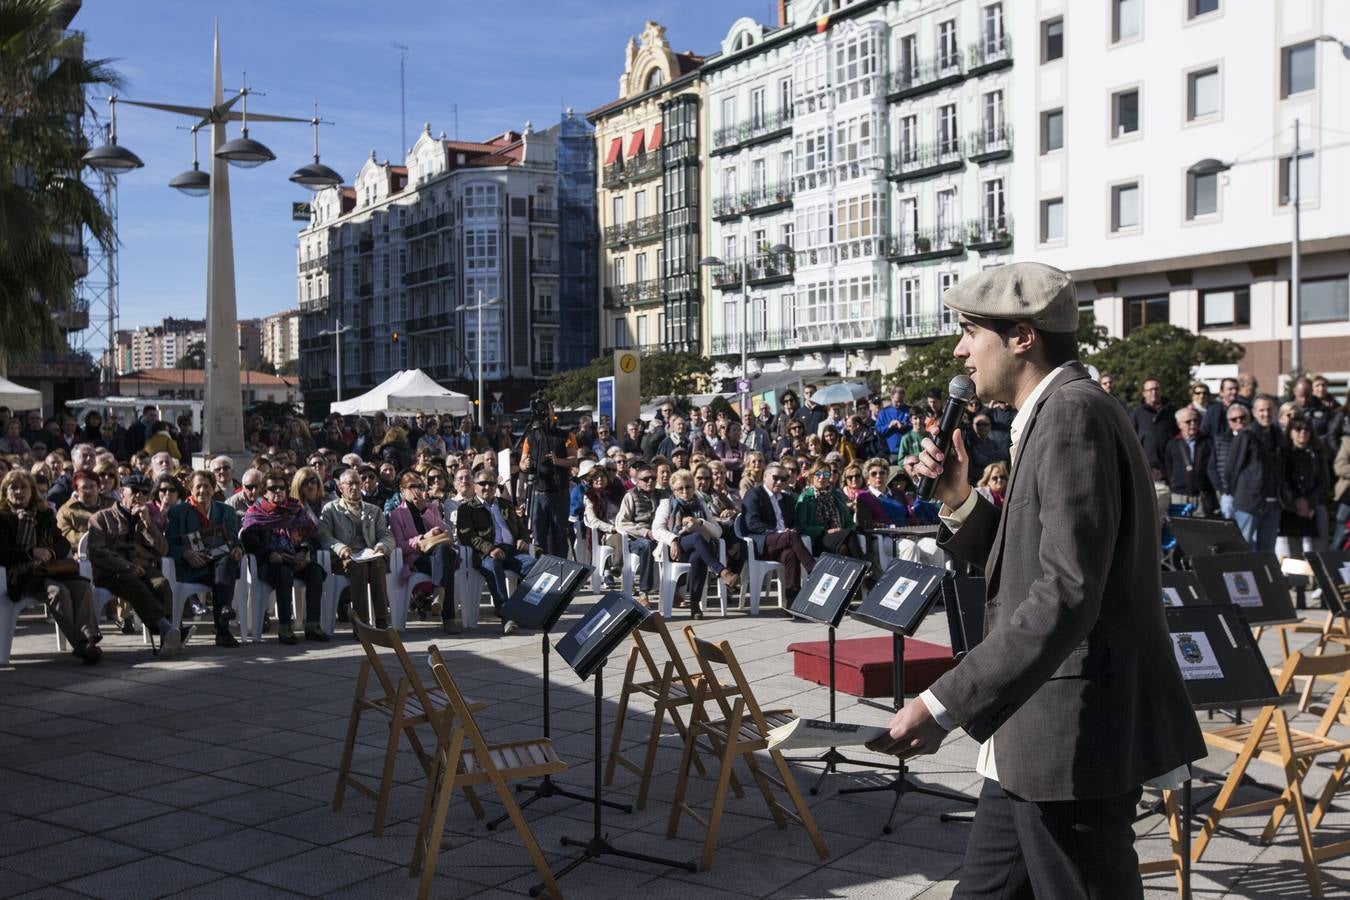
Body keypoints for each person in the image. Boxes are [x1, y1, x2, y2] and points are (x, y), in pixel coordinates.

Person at [871, 261, 1204, 897]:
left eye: (971, 330)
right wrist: (961, 499)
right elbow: (1028, 562)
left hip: (1068, 740)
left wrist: (942, 703)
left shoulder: (1071, 414)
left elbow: (1067, 590)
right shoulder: (1052, 413)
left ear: (1023, 336)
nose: (960, 348)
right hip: (1030, 739)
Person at [0, 470, 102, 663]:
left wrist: (49, 553)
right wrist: (30, 553)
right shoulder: (3, 518)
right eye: (13, 488)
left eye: (24, 487)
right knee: (58, 591)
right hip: (21, 576)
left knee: (82, 586)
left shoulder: (43, 514)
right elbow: (2, 553)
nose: (19, 492)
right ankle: (81, 645)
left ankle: (89, 639)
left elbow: (62, 543)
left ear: (32, 492)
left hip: (48, 568)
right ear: (5, 492)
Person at [86, 473, 185, 657]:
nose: (139, 496)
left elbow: (162, 550)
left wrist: (148, 523)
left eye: (144, 492)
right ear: (122, 491)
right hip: (112, 572)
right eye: (135, 491)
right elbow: (97, 552)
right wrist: (126, 566)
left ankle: (167, 641)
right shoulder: (101, 518)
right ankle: (167, 628)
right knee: (133, 583)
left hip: (143, 569)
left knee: (161, 583)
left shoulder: (145, 518)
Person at [240, 472, 328, 643]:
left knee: (315, 572)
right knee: (284, 573)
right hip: (269, 564)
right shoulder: (256, 512)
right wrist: (269, 554)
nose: (278, 491)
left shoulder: (296, 510)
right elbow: (248, 540)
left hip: (295, 560)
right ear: (265, 491)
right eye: (273, 488)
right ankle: (285, 627)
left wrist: (303, 551)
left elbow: (310, 536)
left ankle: (312, 625)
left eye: (282, 488)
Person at [166, 470, 244, 648]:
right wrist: (185, 553)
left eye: (207, 486)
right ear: (190, 489)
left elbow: (234, 539)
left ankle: (223, 622)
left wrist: (239, 548)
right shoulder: (178, 512)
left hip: (221, 566)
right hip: (193, 568)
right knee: (225, 572)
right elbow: (167, 545)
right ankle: (223, 626)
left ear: (214, 488)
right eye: (198, 486)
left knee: (227, 562)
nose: (203, 490)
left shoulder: (226, 511)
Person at [456, 466, 533, 634]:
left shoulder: (505, 504)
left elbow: (521, 528)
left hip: (512, 551)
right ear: (474, 486)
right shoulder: (466, 508)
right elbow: (467, 536)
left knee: (534, 567)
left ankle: (526, 611)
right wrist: (489, 548)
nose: (487, 487)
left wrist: (523, 539)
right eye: (482, 483)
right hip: (486, 554)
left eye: (491, 484)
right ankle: (507, 616)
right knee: (494, 567)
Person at [653, 470, 739, 618]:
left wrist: (700, 522)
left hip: (698, 549)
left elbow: (718, 532)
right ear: (674, 490)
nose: (685, 491)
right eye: (681, 488)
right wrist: (673, 539)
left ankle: (695, 604)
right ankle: (722, 572)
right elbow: (657, 529)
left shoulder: (700, 505)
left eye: (688, 487)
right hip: (674, 549)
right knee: (697, 538)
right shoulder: (667, 504)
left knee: (698, 555)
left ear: (693, 488)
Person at [319, 467, 395, 630]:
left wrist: (382, 545)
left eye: (357, 483)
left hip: (370, 555)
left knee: (380, 564)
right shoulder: (331, 509)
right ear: (340, 487)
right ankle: (362, 626)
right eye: (350, 484)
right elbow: (324, 536)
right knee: (359, 569)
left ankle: (382, 623)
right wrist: (340, 548)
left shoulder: (373, 510)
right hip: (345, 558)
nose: (354, 487)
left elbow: (386, 534)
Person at [389, 470, 460, 633]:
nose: (416, 490)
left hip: (438, 555)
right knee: (446, 560)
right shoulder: (397, 514)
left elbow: (445, 531)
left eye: (419, 486)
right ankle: (448, 617)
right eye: (411, 486)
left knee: (443, 551)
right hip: (416, 559)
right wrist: (422, 538)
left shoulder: (431, 508)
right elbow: (400, 545)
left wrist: (424, 512)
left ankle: (438, 593)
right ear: (402, 490)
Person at [741, 464, 815, 596]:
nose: (780, 482)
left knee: (791, 555)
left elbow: (795, 524)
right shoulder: (754, 494)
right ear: (765, 477)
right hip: (762, 544)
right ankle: (815, 571)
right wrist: (779, 532)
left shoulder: (787, 499)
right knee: (791, 536)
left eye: (784, 479)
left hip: (784, 544)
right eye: (776, 478)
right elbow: (752, 523)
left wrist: (791, 530)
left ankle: (792, 603)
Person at [519, 398, 578, 559]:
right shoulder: (531, 437)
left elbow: (573, 459)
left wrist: (557, 461)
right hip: (538, 492)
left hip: (559, 491)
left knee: (559, 535)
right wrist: (526, 463)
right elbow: (522, 464)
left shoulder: (566, 435)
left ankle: (560, 570)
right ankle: (540, 569)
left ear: (553, 414)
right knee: (538, 536)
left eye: (548, 410)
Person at [1227, 395, 1282, 551]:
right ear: (1254, 412)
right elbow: (1232, 468)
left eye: (1269, 409)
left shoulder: (1278, 435)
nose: (1266, 414)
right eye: (1262, 410)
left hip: (1273, 502)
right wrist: (1237, 493)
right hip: (1249, 503)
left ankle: (1264, 576)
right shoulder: (1246, 435)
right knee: (1244, 548)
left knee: (1267, 550)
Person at [1276, 417, 1328, 559]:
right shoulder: (1283, 454)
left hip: (1313, 505)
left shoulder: (1317, 453)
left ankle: (1317, 579)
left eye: (1306, 429)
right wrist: (1295, 503)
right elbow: (1282, 481)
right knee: (1294, 552)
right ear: (1290, 432)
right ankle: (1297, 581)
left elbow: (1324, 481)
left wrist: (1309, 502)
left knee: (1317, 549)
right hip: (1290, 506)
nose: (1302, 432)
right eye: (1298, 429)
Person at [615, 463, 662, 606]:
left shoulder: (662, 495)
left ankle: (677, 592)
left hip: (660, 535)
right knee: (646, 544)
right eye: (646, 478)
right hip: (636, 539)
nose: (650, 481)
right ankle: (644, 592)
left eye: (653, 478)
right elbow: (622, 523)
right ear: (638, 480)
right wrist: (645, 532)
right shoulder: (631, 495)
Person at [795, 463, 865, 561]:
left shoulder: (836, 496)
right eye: (818, 474)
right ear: (812, 476)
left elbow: (849, 522)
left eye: (826, 475)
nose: (822, 477)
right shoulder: (805, 497)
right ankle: (865, 568)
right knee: (849, 534)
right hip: (819, 539)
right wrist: (824, 531)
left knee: (843, 549)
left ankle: (852, 575)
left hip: (841, 536)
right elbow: (801, 527)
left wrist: (844, 530)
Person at [1163, 408, 1215, 515]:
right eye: (1188, 421)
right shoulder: (1172, 444)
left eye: (1195, 421)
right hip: (1179, 495)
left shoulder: (1207, 442)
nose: (1193, 424)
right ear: (1179, 424)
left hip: (1201, 495)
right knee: (1180, 529)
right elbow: (1168, 467)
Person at [1129, 377, 1178, 471]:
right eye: (1150, 390)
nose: (1154, 392)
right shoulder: (1136, 413)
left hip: (1169, 466)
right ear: (1144, 393)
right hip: (1146, 467)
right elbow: (1131, 439)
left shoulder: (1171, 411)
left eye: (1156, 389)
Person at [56, 471, 111, 549]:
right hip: (82, 555)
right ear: (77, 491)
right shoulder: (66, 511)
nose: (88, 491)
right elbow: (66, 534)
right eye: (84, 488)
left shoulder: (111, 505)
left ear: (98, 487)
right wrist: (91, 538)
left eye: (92, 486)